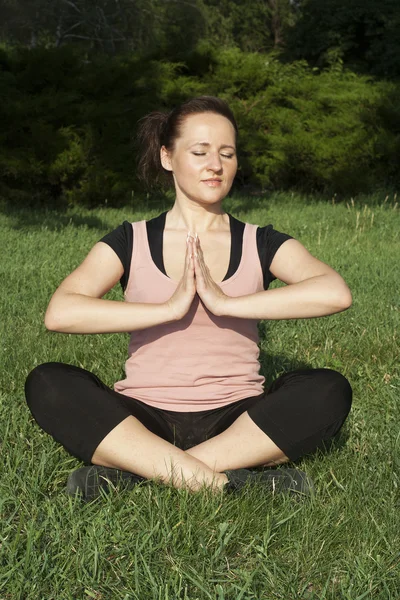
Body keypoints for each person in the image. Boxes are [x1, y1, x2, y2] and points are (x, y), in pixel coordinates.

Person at [25, 96, 352, 502]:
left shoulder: (259, 241)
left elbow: (334, 292)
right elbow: (61, 312)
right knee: (48, 382)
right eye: (199, 152)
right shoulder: (131, 240)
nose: (215, 164)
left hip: (237, 420)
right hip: (143, 417)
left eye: (227, 153)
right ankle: (225, 483)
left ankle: (142, 472)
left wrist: (225, 303)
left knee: (327, 389)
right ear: (167, 156)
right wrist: (168, 309)